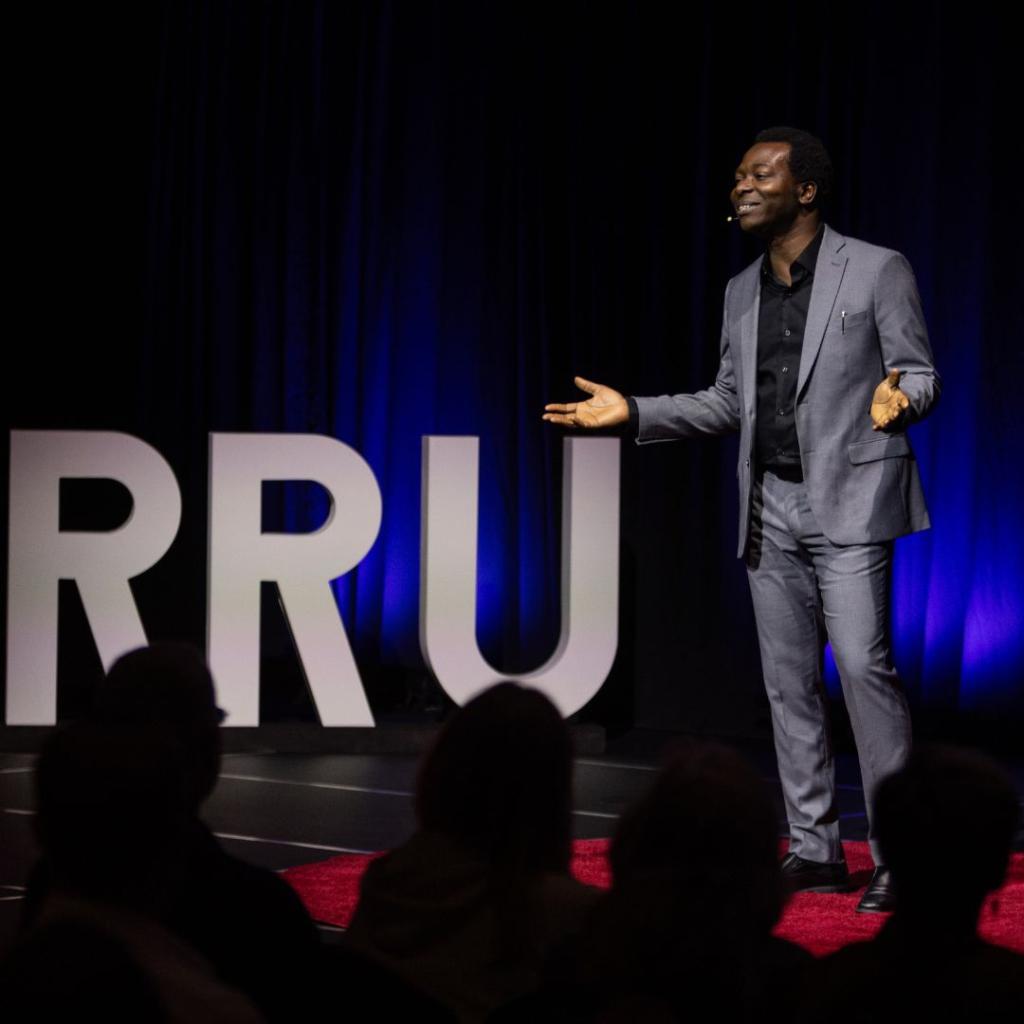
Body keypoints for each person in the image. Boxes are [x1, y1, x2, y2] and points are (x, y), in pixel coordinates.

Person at [543, 126, 940, 913]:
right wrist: (635, 413)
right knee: (787, 685)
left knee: (863, 670)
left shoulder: (875, 269)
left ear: (806, 189)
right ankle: (816, 849)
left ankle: (901, 855)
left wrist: (902, 400)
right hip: (770, 506)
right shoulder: (739, 291)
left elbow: (918, 369)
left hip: (852, 502)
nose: (742, 187)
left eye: (760, 175)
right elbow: (730, 401)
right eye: (736, 177)